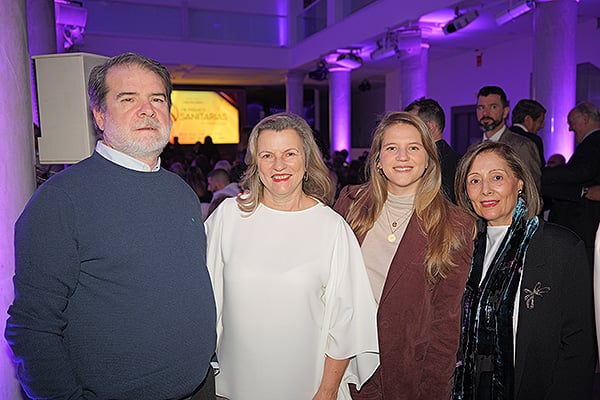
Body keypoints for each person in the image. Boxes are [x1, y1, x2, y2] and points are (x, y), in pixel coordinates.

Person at [5, 52, 217, 400]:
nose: (147, 109)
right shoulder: (61, 200)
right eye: (128, 98)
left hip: (198, 389)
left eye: (157, 99)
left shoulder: (180, 192)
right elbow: (32, 328)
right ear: (99, 115)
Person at [205, 112, 379, 400]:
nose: (279, 165)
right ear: (255, 163)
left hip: (306, 388)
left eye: (289, 153)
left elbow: (348, 322)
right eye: (267, 155)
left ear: (307, 161)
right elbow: (201, 298)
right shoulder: (228, 217)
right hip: (234, 386)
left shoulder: (331, 228)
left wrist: (326, 392)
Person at [334, 111, 474, 399]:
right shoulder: (349, 205)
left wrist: (433, 391)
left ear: (428, 160)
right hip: (342, 367)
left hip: (404, 375)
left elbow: (446, 326)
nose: (402, 157)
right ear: (378, 160)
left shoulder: (454, 224)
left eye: (413, 148)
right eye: (391, 148)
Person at [452, 141, 596, 399]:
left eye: (497, 177)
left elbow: (579, 348)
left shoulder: (560, 248)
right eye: (474, 181)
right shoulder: (459, 250)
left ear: (519, 182)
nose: (485, 190)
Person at [542, 102, 600, 265]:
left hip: (584, 224)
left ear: (586, 118)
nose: (569, 129)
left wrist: (539, 175)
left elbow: (579, 172)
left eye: (571, 122)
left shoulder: (595, 141)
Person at [476, 86, 541, 193]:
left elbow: (532, 192)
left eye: (493, 107)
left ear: (505, 112)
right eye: (481, 108)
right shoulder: (473, 148)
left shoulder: (522, 146)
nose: (485, 113)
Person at [405, 97, 461, 203]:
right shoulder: (459, 160)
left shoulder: (432, 162)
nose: (406, 130)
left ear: (429, 127)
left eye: (411, 125)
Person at [510, 99, 547, 168]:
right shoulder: (533, 140)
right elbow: (538, 172)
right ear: (528, 120)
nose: (542, 126)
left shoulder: (502, 137)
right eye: (540, 121)